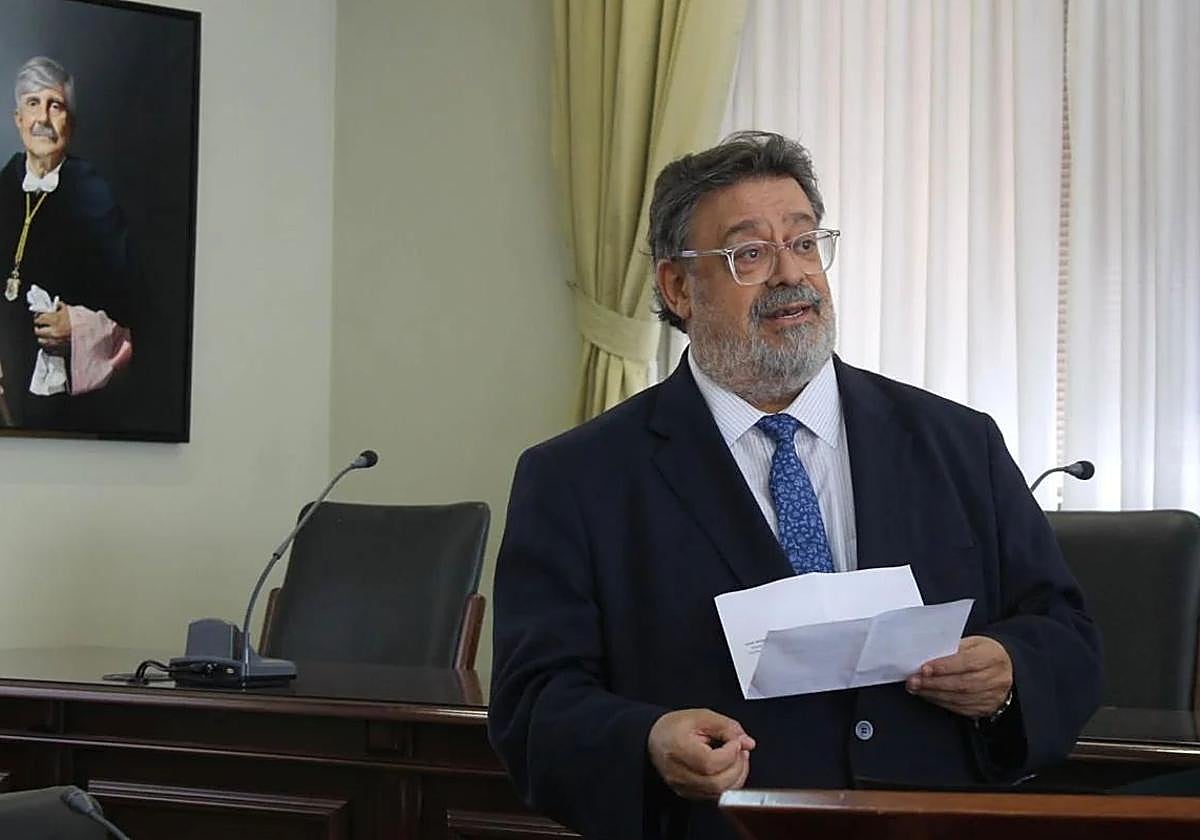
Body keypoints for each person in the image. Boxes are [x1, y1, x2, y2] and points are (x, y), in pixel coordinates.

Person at [488, 132, 1103, 840]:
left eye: (805, 243)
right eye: (750, 253)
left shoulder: (958, 443)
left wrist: (1009, 675)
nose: (791, 275)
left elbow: (1067, 633)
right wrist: (648, 738)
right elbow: (534, 704)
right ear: (678, 287)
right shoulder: (578, 478)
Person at [0, 56, 135, 431]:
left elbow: (131, 311)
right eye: (32, 104)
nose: (42, 118)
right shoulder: (1, 187)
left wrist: (76, 326)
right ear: (18, 120)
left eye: (54, 105)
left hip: (67, 411)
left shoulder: (95, 196)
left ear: (69, 124)